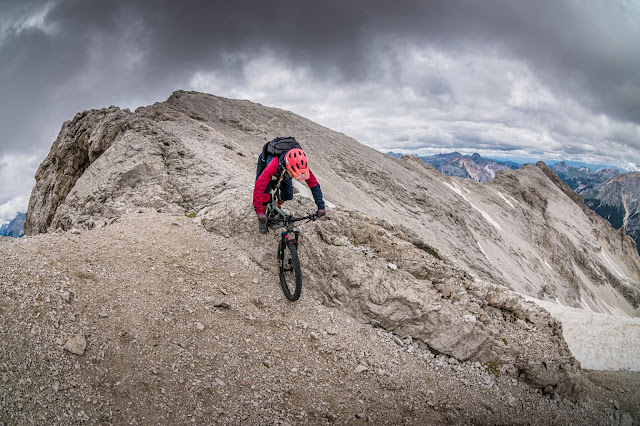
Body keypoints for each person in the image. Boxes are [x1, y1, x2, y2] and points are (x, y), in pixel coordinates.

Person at [253, 147, 326, 233]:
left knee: (288, 195)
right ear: (288, 166)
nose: (295, 177)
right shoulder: (274, 165)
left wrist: (321, 206)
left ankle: (277, 206)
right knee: (264, 197)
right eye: (294, 173)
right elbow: (259, 187)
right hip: (267, 166)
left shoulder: (301, 166)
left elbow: (314, 185)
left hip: (285, 172)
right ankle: (262, 220)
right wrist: (259, 212)